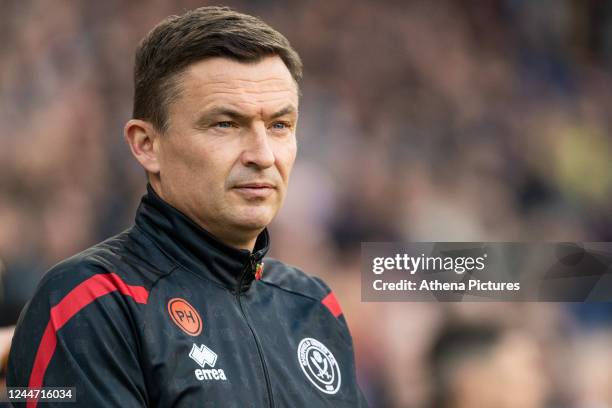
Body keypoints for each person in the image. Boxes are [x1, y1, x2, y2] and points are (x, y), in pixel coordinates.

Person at [7, 7, 368, 407]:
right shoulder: (91, 301)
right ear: (147, 145)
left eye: (279, 125)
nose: (263, 155)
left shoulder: (315, 307)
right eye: (225, 124)